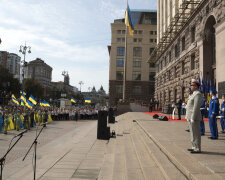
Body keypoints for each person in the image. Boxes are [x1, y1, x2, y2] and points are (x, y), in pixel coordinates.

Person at [186, 79, 203, 153]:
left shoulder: (198, 94)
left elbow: (196, 106)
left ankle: (197, 148)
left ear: (196, 86)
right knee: (192, 132)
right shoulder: (193, 94)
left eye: (192, 85)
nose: (191, 87)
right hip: (190, 116)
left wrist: (193, 117)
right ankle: (193, 146)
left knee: (196, 133)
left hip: (194, 117)